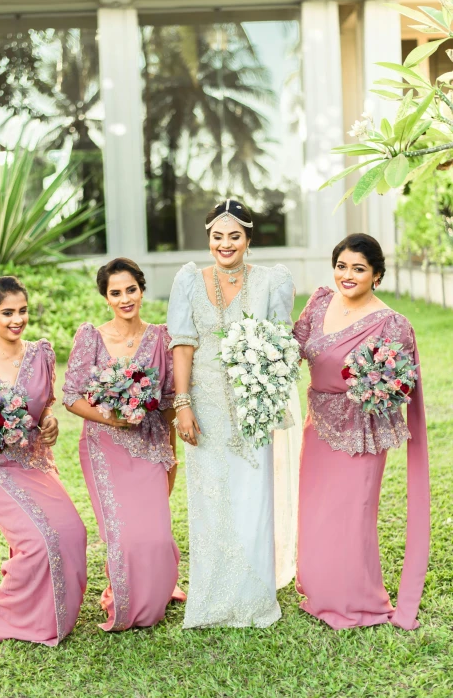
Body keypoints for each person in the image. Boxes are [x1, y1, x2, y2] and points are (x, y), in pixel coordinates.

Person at [167, 199, 302, 629]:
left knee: (251, 497)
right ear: (209, 238)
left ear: (248, 239)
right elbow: (182, 345)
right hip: (203, 407)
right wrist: (183, 405)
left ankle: (253, 598)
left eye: (234, 236)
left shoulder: (271, 281)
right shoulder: (189, 280)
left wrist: (265, 394)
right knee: (209, 500)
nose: (225, 244)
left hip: (252, 407)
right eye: (217, 236)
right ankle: (210, 602)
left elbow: (282, 344)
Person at [293, 233, 430, 630]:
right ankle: (321, 591)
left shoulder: (391, 323)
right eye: (341, 266)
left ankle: (357, 600)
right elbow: (295, 347)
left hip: (361, 432)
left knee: (352, 515)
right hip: (317, 425)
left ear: (377, 275)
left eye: (358, 269)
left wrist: (376, 387)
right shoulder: (320, 301)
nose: (347, 275)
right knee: (317, 512)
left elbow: (399, 384)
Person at [0, 276, 87, 646]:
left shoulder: (41, 353)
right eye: (7, 312)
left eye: (22, 311)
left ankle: (55, 613)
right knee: (40, 541)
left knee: (73, 534)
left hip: (35, 463)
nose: (17, 319)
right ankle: (4, 613)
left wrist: (49, 422)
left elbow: (46, 407)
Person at [63, 258, 184, 632]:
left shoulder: (162, 338)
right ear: (106, 297)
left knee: (157, 536)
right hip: (105, 447)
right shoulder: (91, 338)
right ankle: (129, 598)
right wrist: (109, 417)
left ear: (142, 290)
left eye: (131, 289)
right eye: (115, 292)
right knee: (126, 535)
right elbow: (70, 396)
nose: (125, 298)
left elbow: (167, 398)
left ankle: (159, 586)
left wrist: (170, 449)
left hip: (150, 444)